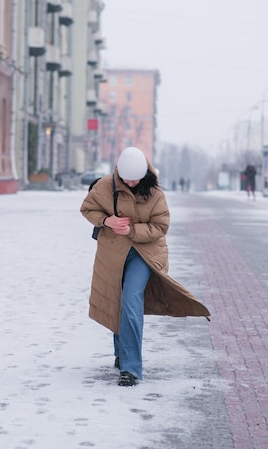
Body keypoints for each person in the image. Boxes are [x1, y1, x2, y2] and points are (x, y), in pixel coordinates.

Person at [80, 147, 210, 387]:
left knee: (131, 300)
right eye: (126, 178)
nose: (130, 182)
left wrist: (131, 230)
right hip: (113, 254)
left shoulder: (155, 193)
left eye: (135, 178)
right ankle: (122, 353)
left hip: (145, 253)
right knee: (116, 301)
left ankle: (131, 369)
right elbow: (87, 208)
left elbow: (160, 227)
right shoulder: (105, 186)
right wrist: (107, 220)